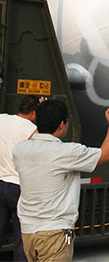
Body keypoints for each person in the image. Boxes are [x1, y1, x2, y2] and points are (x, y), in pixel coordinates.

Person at [13, 98, 109, 262]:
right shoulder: (67, 152)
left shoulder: (20, 149)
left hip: (28, 231)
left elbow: (37, 138)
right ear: (61, 125)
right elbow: (105, 154)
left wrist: (45, 115)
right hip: (53, 233)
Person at [0, 95, 38, 262]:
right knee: (21, 237)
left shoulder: (2, 119)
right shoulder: (31, 129)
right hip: (19, 187)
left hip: (1, 183)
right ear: (34, 113)